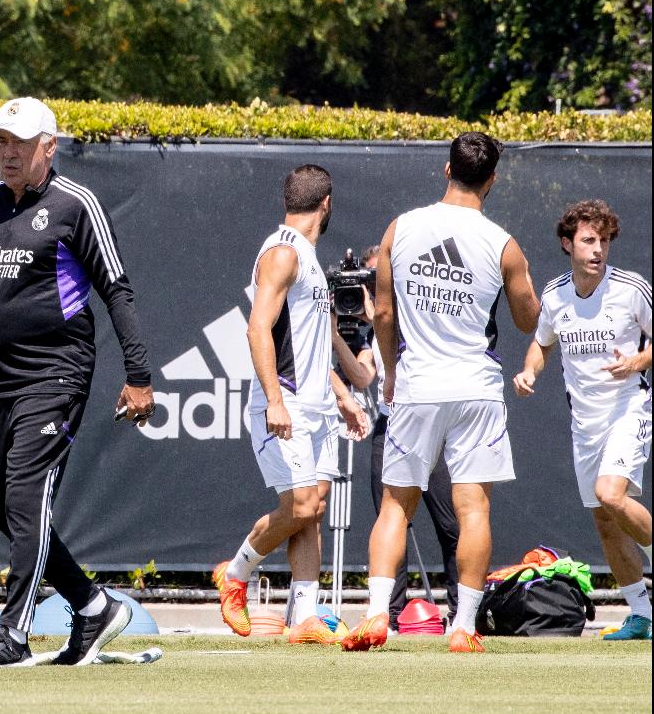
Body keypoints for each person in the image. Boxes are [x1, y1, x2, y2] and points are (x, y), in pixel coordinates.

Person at [0, 97, 154, 667]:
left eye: (19, 143)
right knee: (2, 506)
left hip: (57, 374)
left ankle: (13, 634)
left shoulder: (75, 204)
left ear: (49, 147)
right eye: (1, 142)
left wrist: (139, 375)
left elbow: (116, 287)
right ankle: (93, 608)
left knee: (26, 497)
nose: (7, 153)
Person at [343, 132, 540, 653]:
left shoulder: (401, 228)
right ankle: (463, 627)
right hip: (475, 387)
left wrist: (389, 371)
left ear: (446, 168)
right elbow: (527, 320)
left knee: (393, 507)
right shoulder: (503, 243)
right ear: (492, 180)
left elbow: (382, 313)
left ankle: (376, 617)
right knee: (473, 509)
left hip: (417, 384)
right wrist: (528, 289)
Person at [213, 165, 369, 646]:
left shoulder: (309, 257)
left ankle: (303, 617)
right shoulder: (282, 253)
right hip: (284, 404)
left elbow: (312, 342)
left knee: (313, 510)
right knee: (299, 504)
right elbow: (257, 328)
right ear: (326, 204)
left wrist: (343, 396)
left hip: (319, 406)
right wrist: (275, 401)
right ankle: (234, 574)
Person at [513, 200, 652, 641]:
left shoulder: (631, 289)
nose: (598, 250)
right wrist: (529, 371)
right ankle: (642, 615)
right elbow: (542, 343)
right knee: (605, 521)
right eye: (589, 240)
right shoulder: (554, 296)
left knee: (609, 495)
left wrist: (636, 362)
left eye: (604, 241)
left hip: (630, 409)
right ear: (567, 243)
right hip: (584, 425)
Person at [358, 245, 461, 629]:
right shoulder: (369, 325)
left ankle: (464, 614)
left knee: (451, 524)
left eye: (379, 279)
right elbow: (364, 376)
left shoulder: (419, 312)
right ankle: (388, 615)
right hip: (390, 425)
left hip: (429, 423)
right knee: (391, 519)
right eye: (369, 281)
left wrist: (384, 316)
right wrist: (340, 335)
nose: (374, 288)